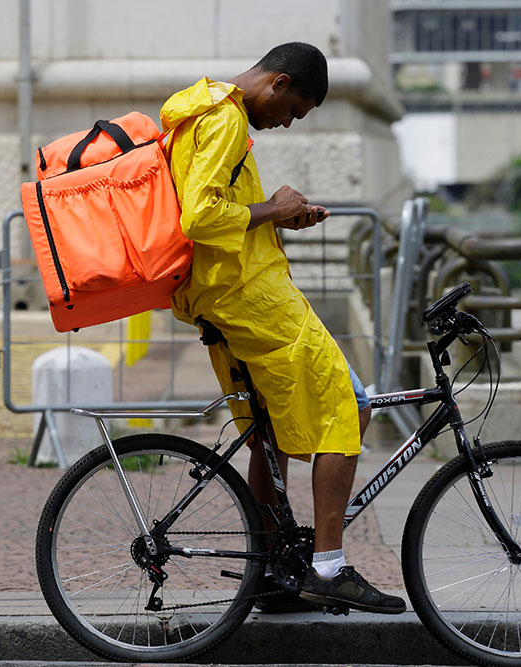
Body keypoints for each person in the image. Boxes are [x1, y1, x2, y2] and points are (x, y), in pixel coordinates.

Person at [160, 42, 404, 615]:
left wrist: (278, 216)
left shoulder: (205, 110)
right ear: (277, 82)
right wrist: (273, 208)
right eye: (294, 109)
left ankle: (271, 570)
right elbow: (198, 216)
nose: (287, 121)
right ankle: (328, 567)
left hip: (218, 295)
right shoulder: (225, 118)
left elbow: (220, 215)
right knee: (348, 403)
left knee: (267, 431)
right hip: (251, 298)